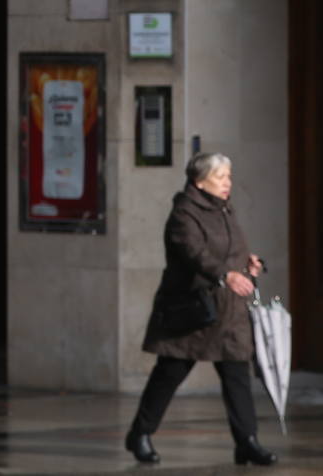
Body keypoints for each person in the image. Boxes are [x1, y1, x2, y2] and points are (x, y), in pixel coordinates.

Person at [126, 152, 277, 467]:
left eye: (229, 176)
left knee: (237, 374)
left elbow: (230, 250)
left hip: (230, 311)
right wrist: (225, 275)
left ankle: (247, 442)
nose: (227, 183)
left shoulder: (224, 208)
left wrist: (248, 265)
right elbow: (195, 254)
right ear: (199, 181)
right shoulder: (184, 213)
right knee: (170, 372)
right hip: (194, 310)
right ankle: (140, 433)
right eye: (220, 177)